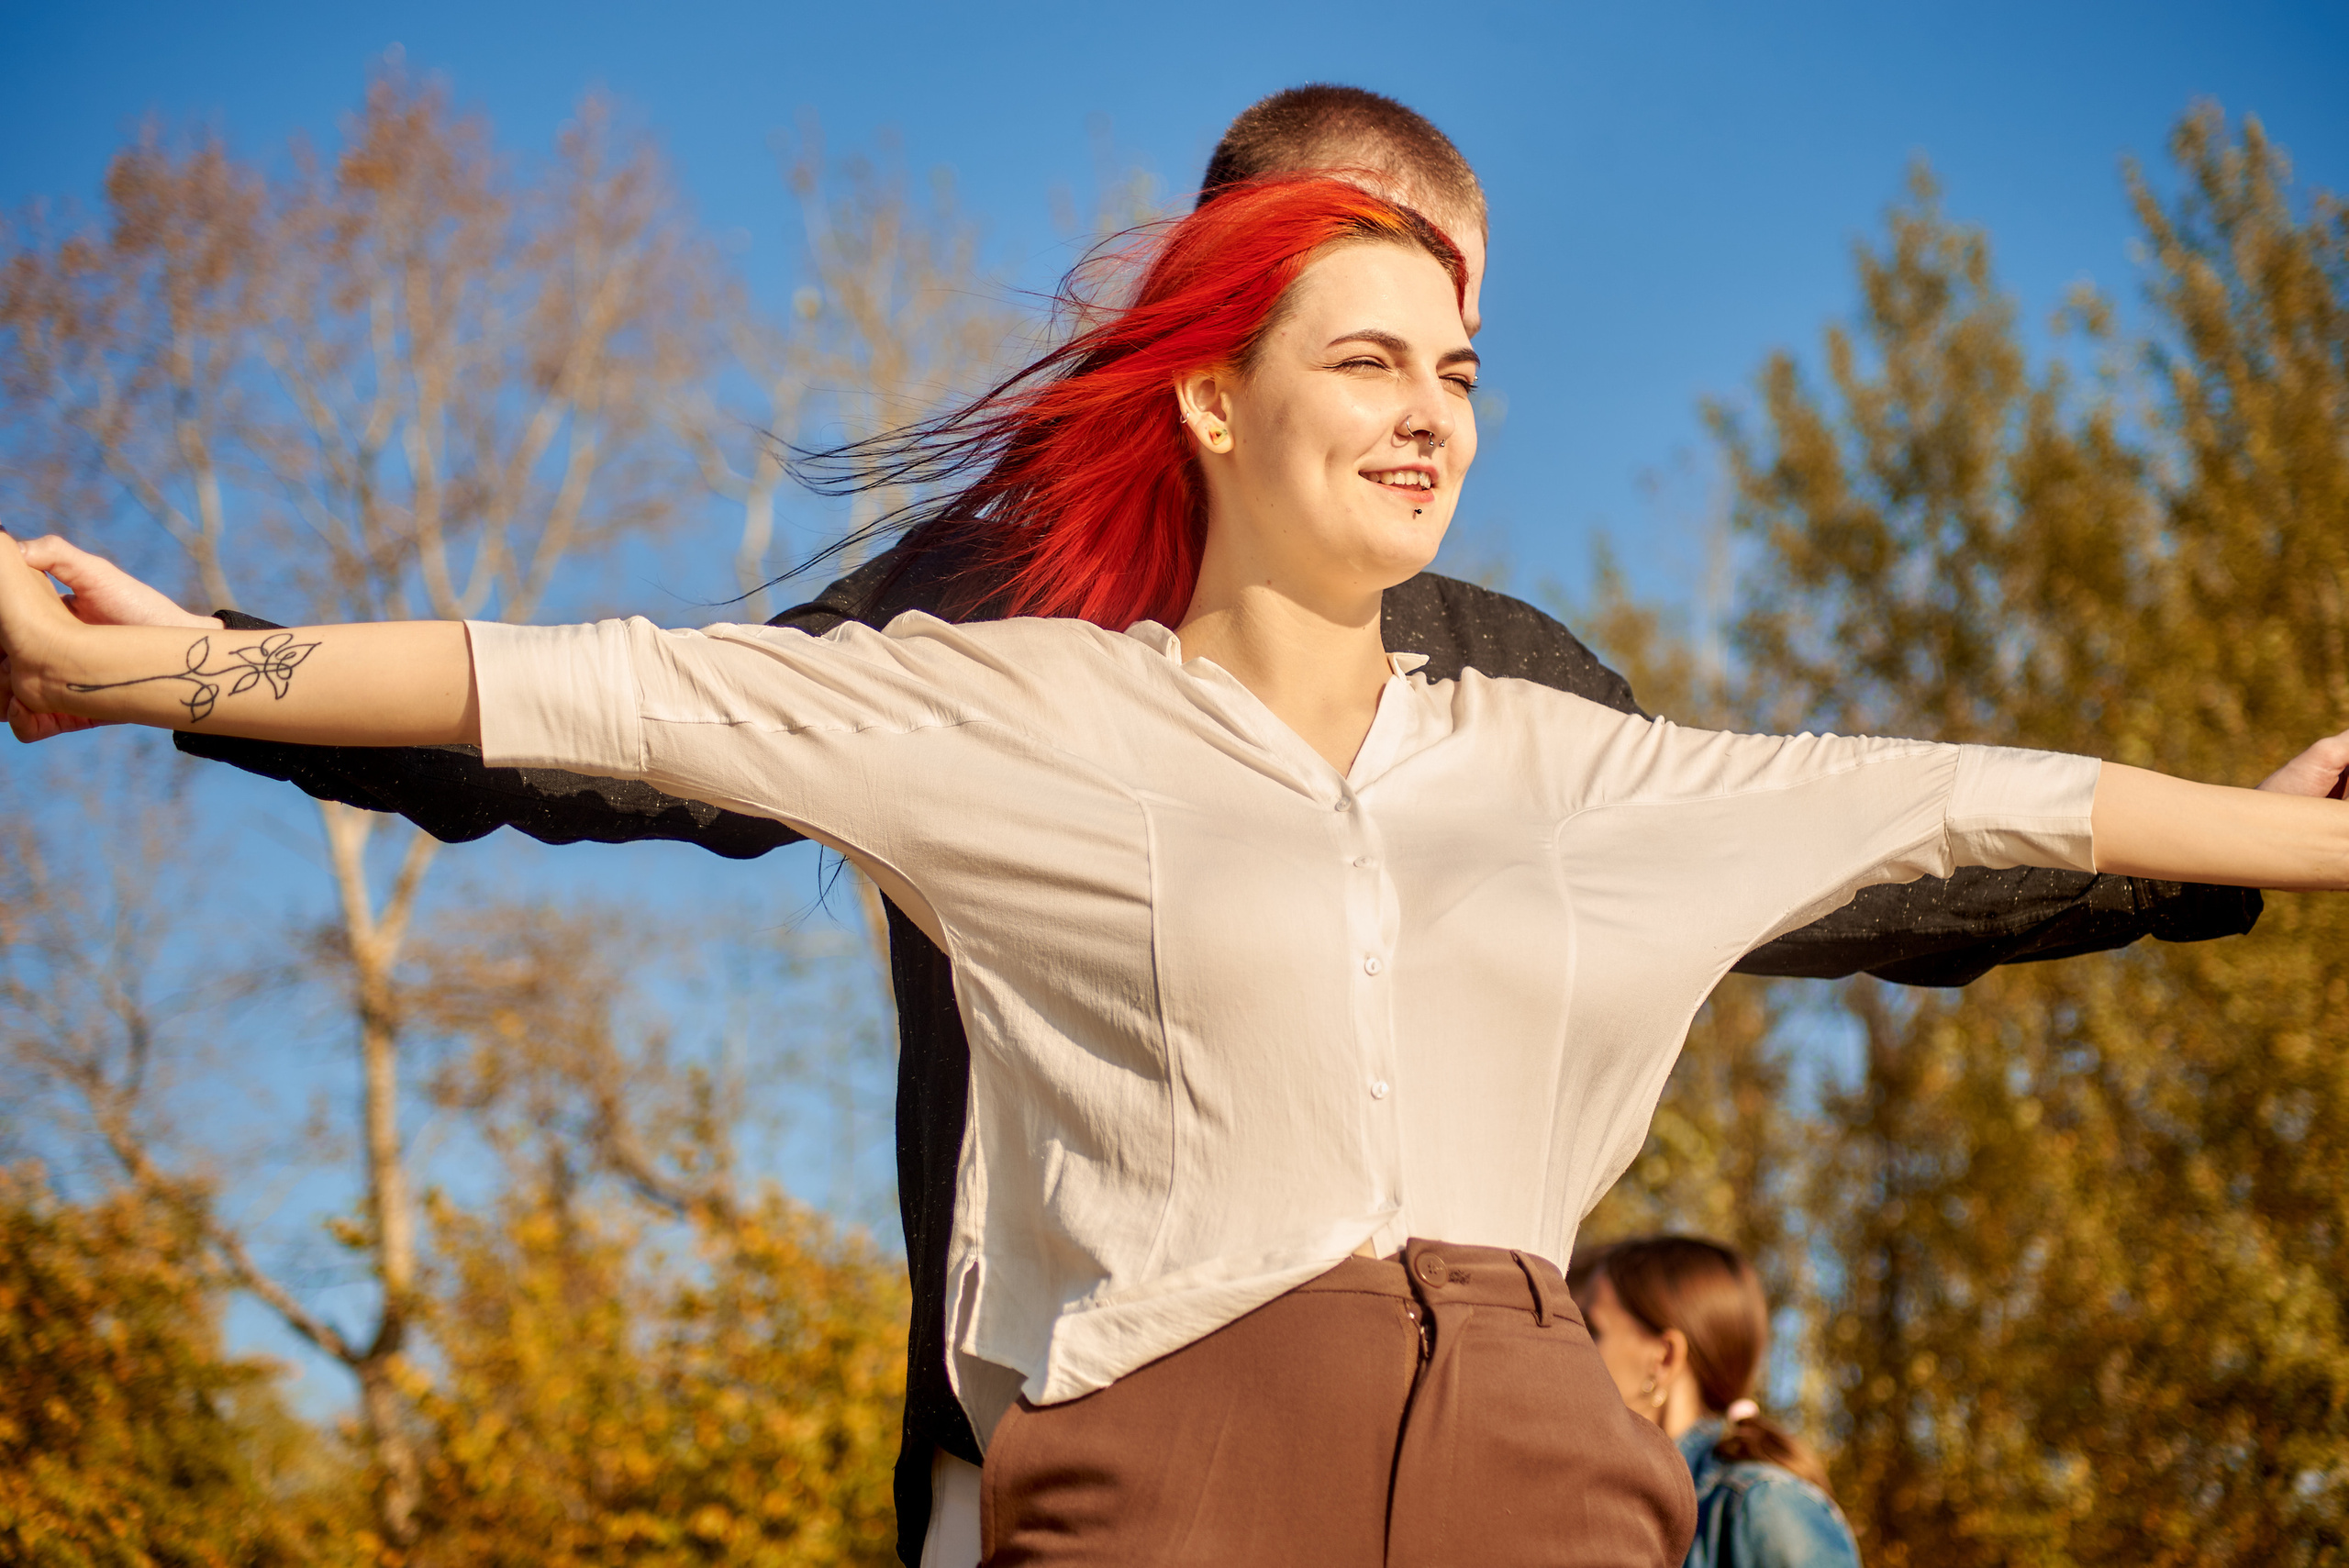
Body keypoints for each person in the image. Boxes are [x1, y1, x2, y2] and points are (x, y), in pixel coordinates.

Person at [8, 172, 2347, 1566]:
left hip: (1544, 1470)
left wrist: (2277, 837)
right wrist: (177, 667)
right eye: (1367, 356)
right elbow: (601, 693)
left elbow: (1957, 800)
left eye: (1460, 362)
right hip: (1177, 1472)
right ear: (1217, 401)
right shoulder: (1020, 710)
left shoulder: (1557, 756)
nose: (1431, 404)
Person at [1573, 1238, 1861, 1568]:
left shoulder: (1762, 1508)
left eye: (1591, 1330)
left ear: (1663, 1359)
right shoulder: (1611, 1508)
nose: (1570, 1349)